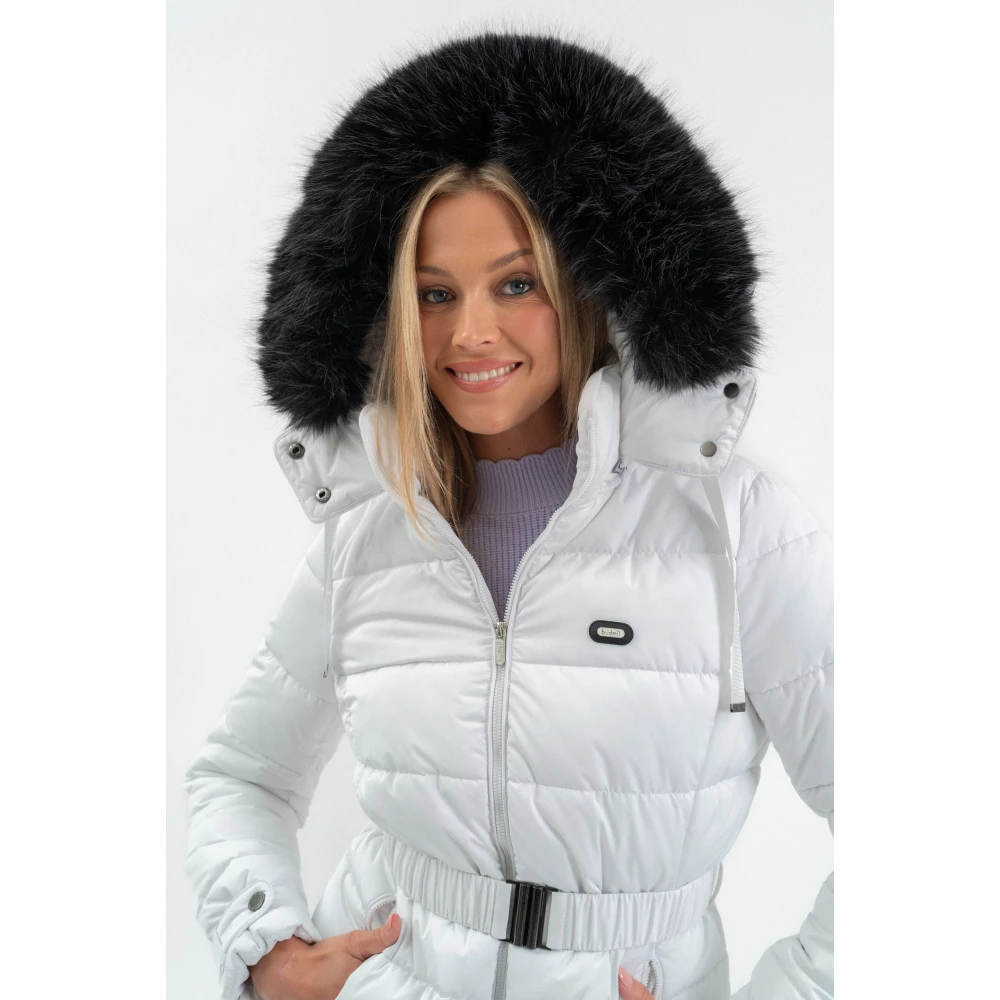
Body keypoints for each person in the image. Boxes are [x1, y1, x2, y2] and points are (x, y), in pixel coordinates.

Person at [182, 31, 833, 1000]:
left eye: (516, 283)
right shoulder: (370, 530)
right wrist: (268, 950)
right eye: (434, 293)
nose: (470, 332)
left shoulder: (735, 528)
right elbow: (241, 774)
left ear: (587, 287)